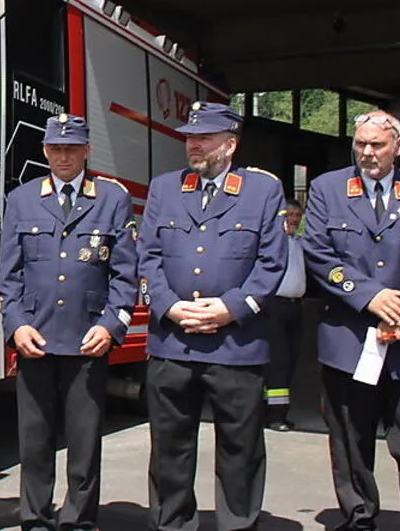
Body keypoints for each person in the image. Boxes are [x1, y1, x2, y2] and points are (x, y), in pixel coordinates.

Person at [137, 101, 286, 531]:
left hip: (236, 345)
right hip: (174, 342)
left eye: (204, 138)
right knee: (170, 448)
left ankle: (238, 523)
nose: (194, 145)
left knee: (240, 449)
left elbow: (271, 263)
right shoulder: (165, 189)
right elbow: (147, 256)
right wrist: (168, 305)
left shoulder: (261, 191)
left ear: (230, 145)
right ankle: (172, 523)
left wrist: (230, 309)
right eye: (190, 138)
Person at [0, 114, 137, 531]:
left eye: (72, 149)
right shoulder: (22, 199)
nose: (63, 157)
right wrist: (16, 325)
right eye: (56, 149)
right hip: (35, 338)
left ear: (87, 151)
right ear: (45, 151)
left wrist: (111, 325)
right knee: (34, 440)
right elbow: (9, 275)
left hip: (87, 337)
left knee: (84, 440)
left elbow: (125, 275)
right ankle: (35, 518)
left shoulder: (111, 199)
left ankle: (79, 519)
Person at [302, 110, 400, 531]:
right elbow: (318, 254)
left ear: (397, 147)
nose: (367, 152)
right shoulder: (327, 189)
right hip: (348, 340)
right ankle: (358, 517)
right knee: (351, 442)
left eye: (377, 145)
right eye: (360, 143)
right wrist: (371, 297)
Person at [265, 197, 307, 432]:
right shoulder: (273, 242)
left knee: (291, 358)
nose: (294, 220)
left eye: (297, 216)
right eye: (289, 215)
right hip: (274, 306)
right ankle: (273, 415)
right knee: (277, 361)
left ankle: (281, 412)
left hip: (295, 307)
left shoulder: (299, 242)